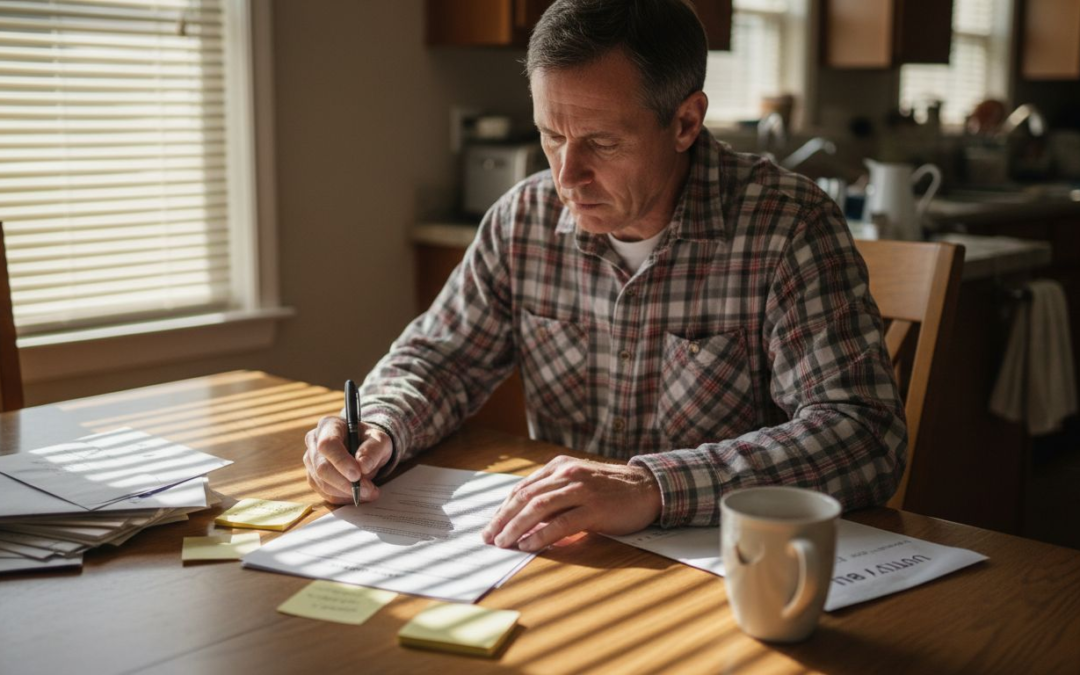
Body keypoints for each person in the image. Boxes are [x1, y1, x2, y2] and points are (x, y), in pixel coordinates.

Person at [303, 0, 906, 553]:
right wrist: (379, 425)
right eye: (551, 135)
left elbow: (863, 435)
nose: (567, 176)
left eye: (602, 142)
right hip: (569, 558)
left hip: (729, 566)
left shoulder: (788, 226)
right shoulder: (524, 219)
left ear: (685, 123)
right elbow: (440, 360)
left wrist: (652, 487)